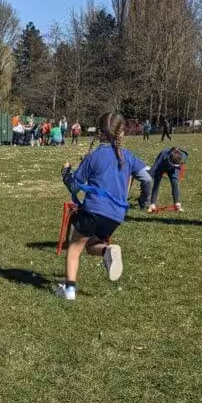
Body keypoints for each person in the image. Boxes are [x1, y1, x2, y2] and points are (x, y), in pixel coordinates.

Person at [55, 111, 152, 301]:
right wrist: (144, 199)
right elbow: (147, 179)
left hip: (93, 210)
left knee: (74, 248)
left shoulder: (93, 157)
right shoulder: (129, 157)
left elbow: (75, 185)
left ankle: (69, 291)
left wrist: (66, 173)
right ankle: (108, 251)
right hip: (115, 217)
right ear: (121, 132)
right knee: (92, 246)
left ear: (99, 133)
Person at [147, 147, 188, 212]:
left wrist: (177, 166)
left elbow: (186, 156)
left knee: (175, 183)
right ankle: (152, 204)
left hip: (173, 170)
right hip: (161, 167)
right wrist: (150, 175)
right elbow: (156, 165)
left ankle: (177, 204)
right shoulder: (163, 154)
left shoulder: (183, 156)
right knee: (156, 183)